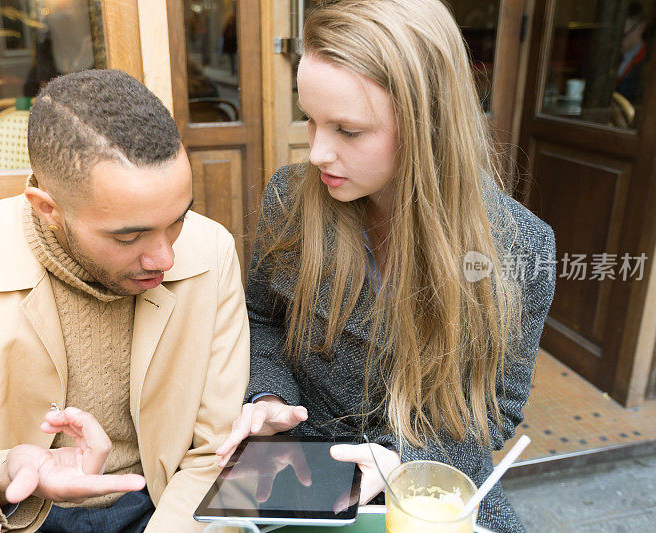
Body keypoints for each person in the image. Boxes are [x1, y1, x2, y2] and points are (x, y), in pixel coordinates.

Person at [216, 1, 555, 532]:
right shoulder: (290, 199)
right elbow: (259, 319)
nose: (317, 154)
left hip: (427, 480)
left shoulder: (519, 247)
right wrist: (269, 394)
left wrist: (401, 459)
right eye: (309, 119)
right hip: (305, 471)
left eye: (348, 131)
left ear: (429, 123)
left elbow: (497, 407)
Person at [0, 69, 249, 532]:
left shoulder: (211, 249)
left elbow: (215, 457)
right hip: (11, 517)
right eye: (130, 235)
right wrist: (4, 475)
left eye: (178, 219)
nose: (166, 256)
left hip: (166, 511)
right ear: (47, 209)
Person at [615, 1, 648, 104]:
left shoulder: (648, 62)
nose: (617, 40)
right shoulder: (606, 54)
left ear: (641, 27)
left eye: (623, 35)